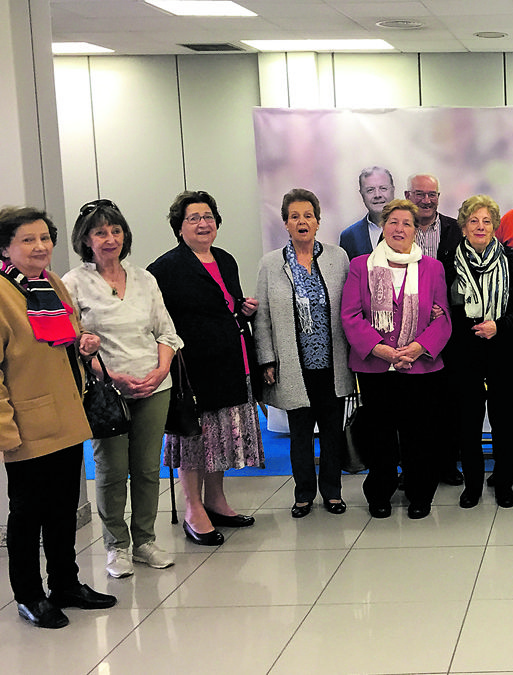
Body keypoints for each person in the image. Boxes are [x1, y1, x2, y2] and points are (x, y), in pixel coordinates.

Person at [1, 206, 117, 629]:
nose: (39, 247)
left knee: (64, 507)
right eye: (27, 240)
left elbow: (60, 342)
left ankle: (66, 584)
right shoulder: (1, 292)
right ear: (6, 247)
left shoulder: (50, 284)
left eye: (44, 238)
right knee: (28, 514)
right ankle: (29, 595)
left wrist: (81, 345)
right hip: (26, 423)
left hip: (66, 414)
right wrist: (4, 429)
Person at [63, 199, 182, 578]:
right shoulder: (73, 282)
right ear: (86, 239)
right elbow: (73, 343)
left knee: (147, 469)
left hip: (153, 386)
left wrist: (161, 369)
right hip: (106, 391)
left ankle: (145, 540)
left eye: (116, 231)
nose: (110, 238)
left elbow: (166, 332)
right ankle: (117, 545)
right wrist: (109, 375)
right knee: (112, 471)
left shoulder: (145, 278)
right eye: (100, 232)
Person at [148, 190, 264, 546]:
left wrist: (243, 310)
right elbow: (157, 322)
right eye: (194, 218)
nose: (203, 223)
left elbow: (226, 305)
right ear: (179, 226)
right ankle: (193, 509)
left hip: (230, 361)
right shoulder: (164, 268)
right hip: (192, 369)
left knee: (220, 436)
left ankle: (216, 501)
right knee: (194, 440)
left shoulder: (225, 259)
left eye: (208, 216)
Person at [341, 198, 451, 520]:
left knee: (420, 435)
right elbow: (350, 316)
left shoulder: (432, 268)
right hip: (376, 367)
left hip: (422, 367)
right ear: (383, 227)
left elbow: (443, 318)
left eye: (406, 223)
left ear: (416, 230)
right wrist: (382, 349)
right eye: (393, 222)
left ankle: (420, 493)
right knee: (380, 435)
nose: (399, 228)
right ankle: (380, 492)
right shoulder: (361, 266)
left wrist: (417, 349)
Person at [254, 189, 353, 519]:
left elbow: (351, 308)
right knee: (299, 434)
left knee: (332, 433)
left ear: (318, 221)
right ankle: (303, 494)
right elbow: (263, 315)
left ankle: (333, 492)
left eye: (308, 216)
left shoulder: (338, 258)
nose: (302, 222)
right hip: (293, 365)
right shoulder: (271, 264)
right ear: (285, 223)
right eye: (294, 216)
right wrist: (266, 359)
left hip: (332, 363)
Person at [444, 195, 513, 509]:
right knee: (467, 423)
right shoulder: (448, 262)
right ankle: (471, 485)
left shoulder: (511, 260)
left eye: (486, 221)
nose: (480, 226)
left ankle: (504, 483)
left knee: (505, 421)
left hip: (505, 349)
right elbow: (441, 309)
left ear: (496, 226)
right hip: (463, 354)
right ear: (464, 227)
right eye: (474, 221)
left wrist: (499, 325)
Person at [405, 173, 465, 486]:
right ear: (407, 195)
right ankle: (414, 467)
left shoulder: (456, 228)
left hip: (448, 330)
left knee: (448, 401)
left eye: (432, 194)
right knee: (413, 405)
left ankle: (446, 464)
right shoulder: (398, 230)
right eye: (419, 194)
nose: (426, 201)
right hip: (404, 333)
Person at [340, 166, 396, 260]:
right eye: (370, 190)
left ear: (393, 190)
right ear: (362, 194)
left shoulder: (411, 229)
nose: (377, 195)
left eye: (383, 188)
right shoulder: (349, 236)